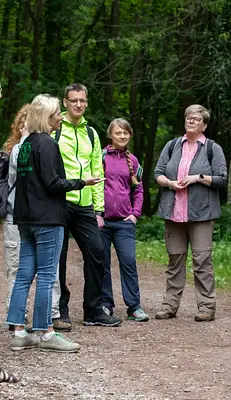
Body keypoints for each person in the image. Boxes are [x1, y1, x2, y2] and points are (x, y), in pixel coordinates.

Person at [6, 94, 104, 352]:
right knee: (48, 276)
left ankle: (18, 331)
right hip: (47, 218)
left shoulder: (25, 145)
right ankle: (46, 333)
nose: (61, 116)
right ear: (48, 118)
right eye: (58, 113)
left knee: (24, 275)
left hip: (25, 218)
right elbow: (53, 184)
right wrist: (82, 182)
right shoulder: (48, 144)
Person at [51, 83, 122, 329]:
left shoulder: (91, 133)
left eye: (82, 100)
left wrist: (99, 209)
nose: (78, 104)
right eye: (74, 101)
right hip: (59, 203)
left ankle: (93, 310)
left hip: (84, 206)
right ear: (65, 103)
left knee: (97, 253)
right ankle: (60, 311)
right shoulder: (55, 130)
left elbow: (96, 172)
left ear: (87, 102)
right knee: (57, 259)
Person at [154, 104, 227, 322]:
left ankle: (206, 307)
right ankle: (169, 306)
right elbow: (158, 173)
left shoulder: (213, 148)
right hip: (174, 211)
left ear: (204, 124)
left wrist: (198, 178)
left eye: (196, 119)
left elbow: (222, 179)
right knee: (175, 260)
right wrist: (169, 183)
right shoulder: (172, 145)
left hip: (201, 214)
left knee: (202, 260)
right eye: (188, 117)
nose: (191, 121)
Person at [101, 118, 148, 322]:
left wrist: (135, 214)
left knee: (128, 261)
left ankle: (134, 306)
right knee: (101, 263)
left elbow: (138, 190)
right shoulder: (100, 157)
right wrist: (95, 213)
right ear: (110, 134)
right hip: (102, 221)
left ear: (129, 135)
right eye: (118, 133)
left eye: (125, 133)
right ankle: (105, 304)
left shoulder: (133, 161)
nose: (122, 136)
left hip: (124, 222)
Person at [2, 104, 30, 321]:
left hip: (34, 219)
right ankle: (15, 317)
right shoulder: (13, 151)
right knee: (15, 268)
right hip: (13, 217)